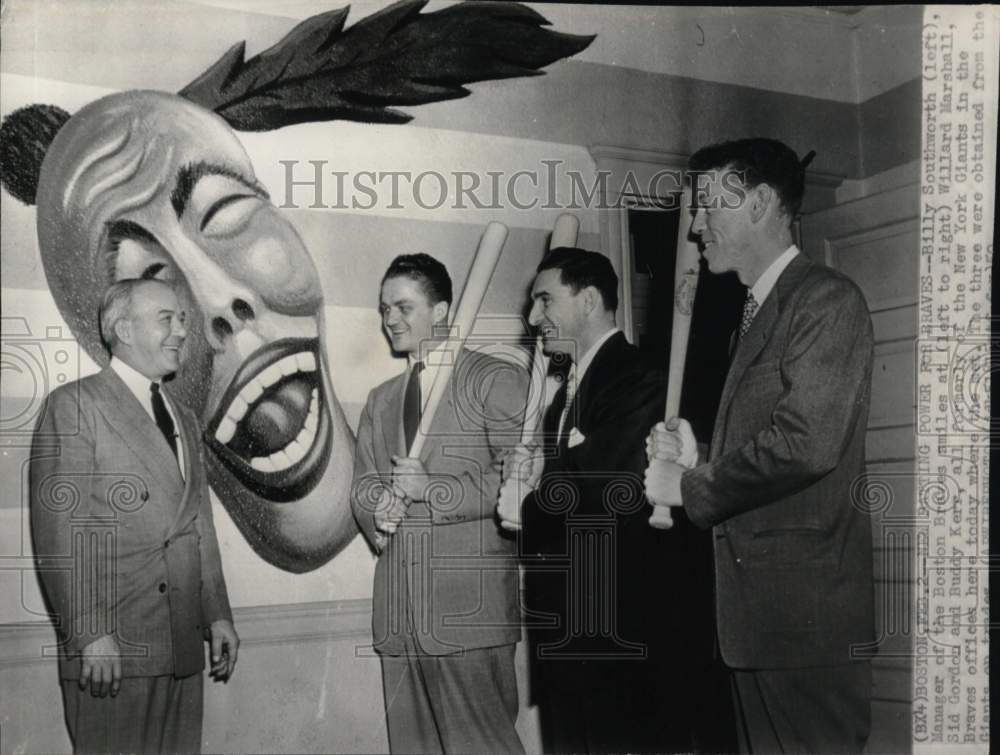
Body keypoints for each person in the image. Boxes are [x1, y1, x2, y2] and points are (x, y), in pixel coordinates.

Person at [644, 138, 875, 753]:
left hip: (804, 624)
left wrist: (690, 487)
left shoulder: (826, 299)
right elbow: (768, 448)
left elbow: (807, 444)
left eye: (707, 207)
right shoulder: (756, 311)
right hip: (756, 622)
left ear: (761, 203)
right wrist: (699, 458)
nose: (695, 227)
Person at [503, 247, 703, 753]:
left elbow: (599, 487)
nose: (533, 318)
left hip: (619, 634)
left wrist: (524, 506)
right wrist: (530, 475)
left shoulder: (639, 378)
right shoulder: (566, 391)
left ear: (589, 299)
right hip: (571, 631)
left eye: (545, 300)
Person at [29, 278, 238, 754]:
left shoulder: (183, 415)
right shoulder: (75, 406)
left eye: (182, 318)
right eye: (166, 318)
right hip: (112, 649)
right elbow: (60, 535)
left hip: (181, 645)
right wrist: (89, 634)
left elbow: (198, 524)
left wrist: (217, 615)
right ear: (123, 328)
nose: (182, 331)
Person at [350, 253, 529, 754]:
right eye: (384, 308)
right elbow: (362, 484)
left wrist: (434, 489)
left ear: (443, 310)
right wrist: (377, 507)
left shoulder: (494, 378)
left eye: (403, 307)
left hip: (466, 614)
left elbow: (523, 480)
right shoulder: (381, 398)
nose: (390, 319)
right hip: (399, 615)